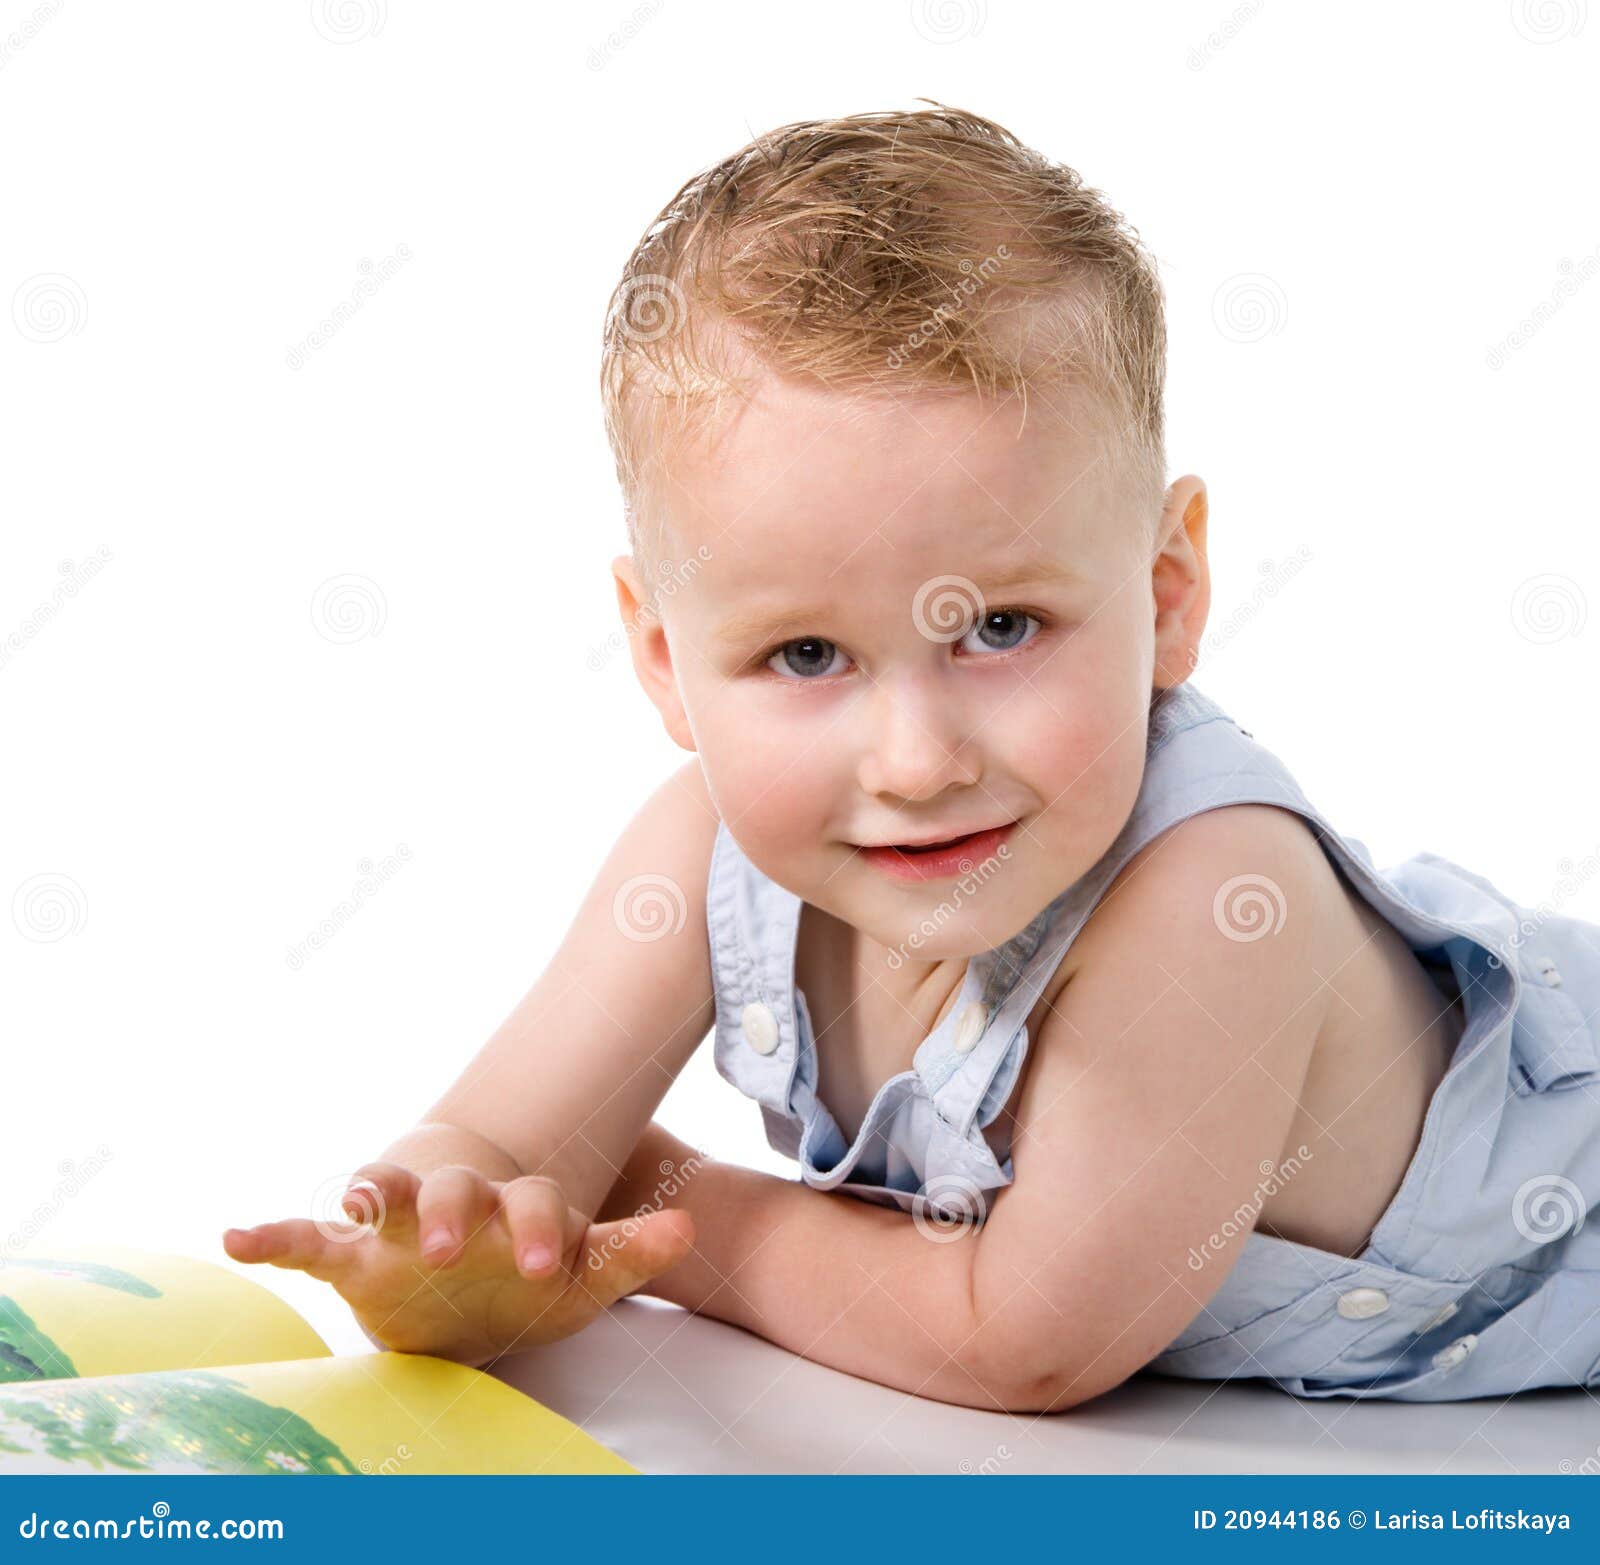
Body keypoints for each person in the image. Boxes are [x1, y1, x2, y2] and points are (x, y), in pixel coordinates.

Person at [224, 104, 1600, 1410]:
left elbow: (1026, 1341)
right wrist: (432, 1241)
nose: (920, 758)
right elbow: (493, 1151)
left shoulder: (1215, 899)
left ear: (1169, 590)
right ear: (661, 655)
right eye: (807, 656)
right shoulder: (697, 857)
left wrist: (661, 1207)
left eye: (1002, 627)